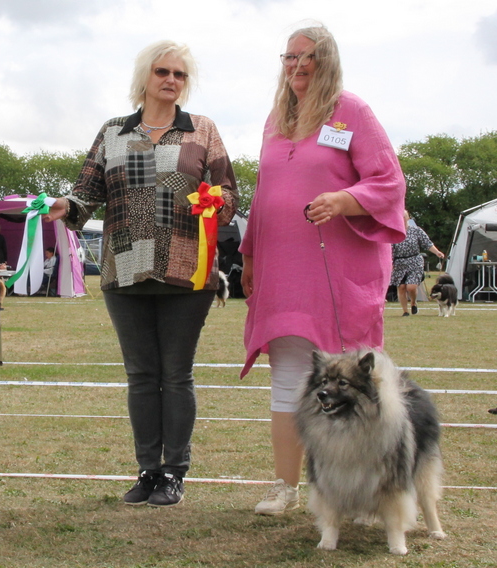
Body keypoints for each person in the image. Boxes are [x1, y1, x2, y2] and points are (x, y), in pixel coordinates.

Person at [44, 40, 237, 507]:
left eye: (180, 74)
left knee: (176, 375)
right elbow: (86, 193)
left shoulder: (203, 130)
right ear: (145, 78)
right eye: (162, 72)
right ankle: (148, 470)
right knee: (140, 375)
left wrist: (217, 202)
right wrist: (66, 207)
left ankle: (175, 473)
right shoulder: (113, 131)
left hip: (186, 272)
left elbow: (230, 196)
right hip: (124, 269)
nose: (171, 80)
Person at [239, 25, 406, 515]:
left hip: (338, 271)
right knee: (288, 378)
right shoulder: (276, 119)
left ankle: (355, 487)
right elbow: (264, 192)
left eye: (306, 57)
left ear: (326, 60)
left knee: (347, 381)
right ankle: (284, 488)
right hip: (282, 269)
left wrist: (345, 199)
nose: (296, 65)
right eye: (289, 57)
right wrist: (249, 255)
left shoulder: (351, 110)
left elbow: (389, 180)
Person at [391, 210, 445, 316]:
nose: (401, 219)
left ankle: (413, 302)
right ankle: (405, 311)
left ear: (408, 218)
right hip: (399, 262)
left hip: (414, 261)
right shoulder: (393, 232)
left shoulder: (416, 231)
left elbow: (427, 243)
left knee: (411, 287)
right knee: (401, 287)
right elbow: (389, 249)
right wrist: (390, 263)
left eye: (404, 217)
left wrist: (437, 252)